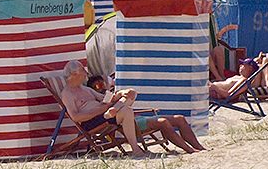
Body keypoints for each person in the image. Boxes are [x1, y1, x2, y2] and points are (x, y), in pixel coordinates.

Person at [59, 60, 205, 154]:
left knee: (131, 93)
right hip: (96, 120)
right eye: (83, 70)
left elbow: (104, 99)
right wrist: (102, 109)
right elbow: (76, 117)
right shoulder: (67, 94)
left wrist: (119, 94)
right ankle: (135, 148)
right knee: (127, 110)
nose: (86, 73)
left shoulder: (85, 89)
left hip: (107, 113)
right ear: (74, 73)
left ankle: (115, 110)